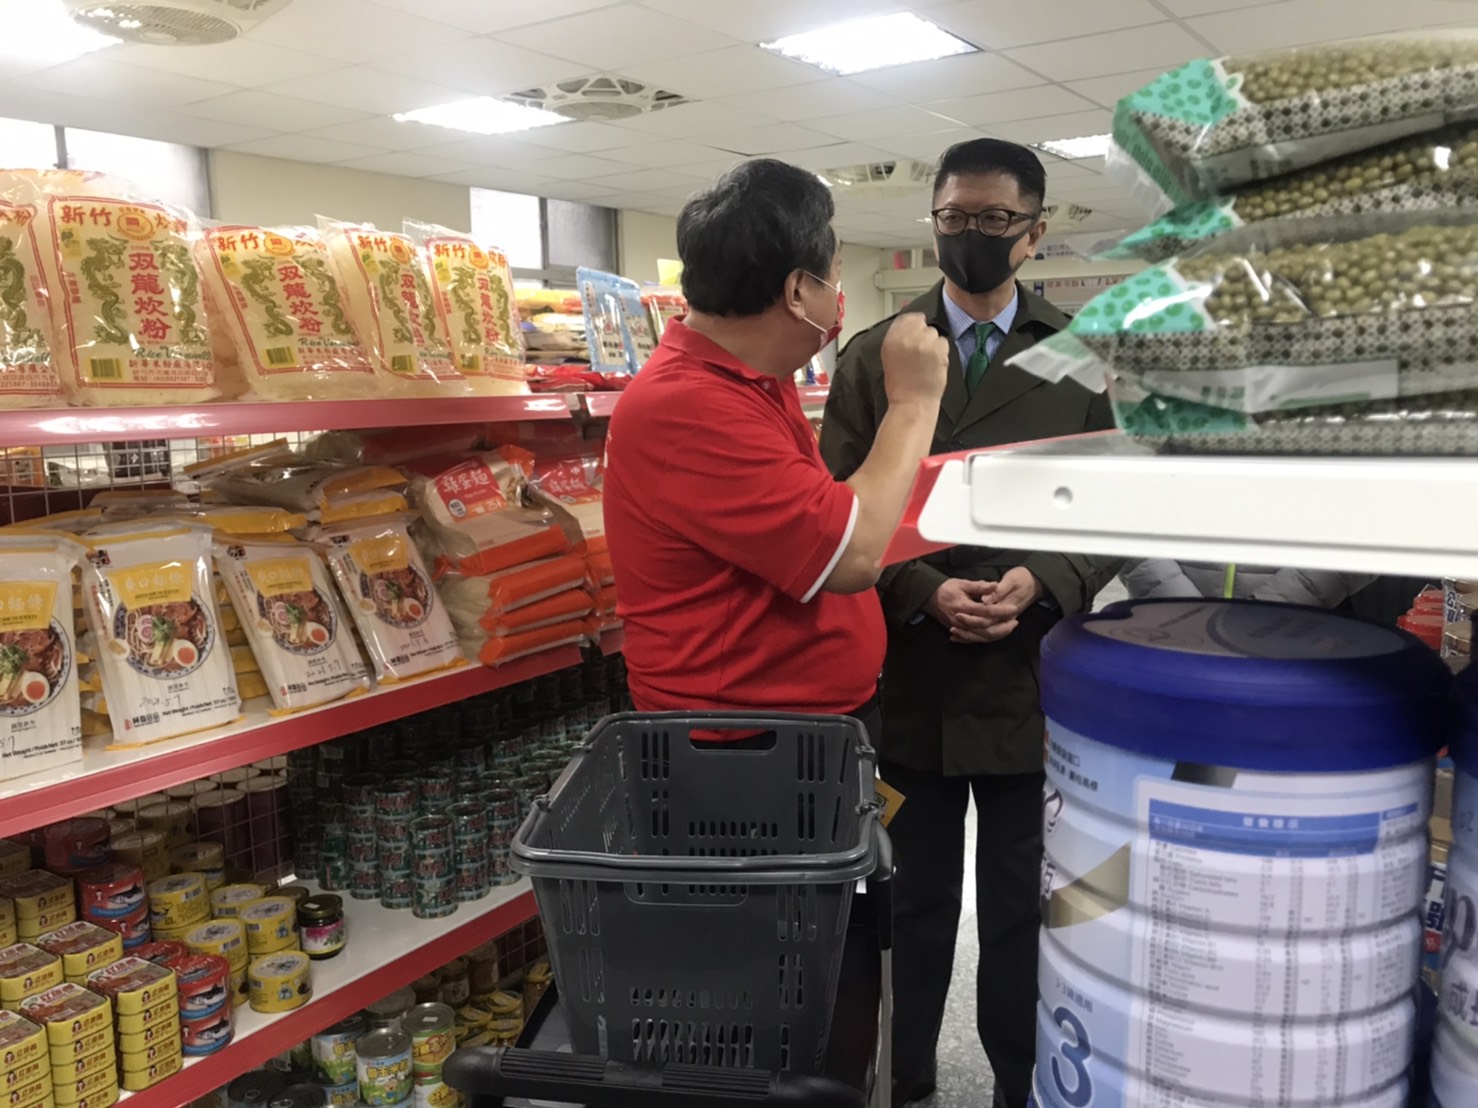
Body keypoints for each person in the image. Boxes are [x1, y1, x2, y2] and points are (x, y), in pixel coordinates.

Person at [819, 138, 1121, 1108]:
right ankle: (904, 1080)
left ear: (1033, 233)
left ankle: (1016, 1084)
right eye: (953, 218)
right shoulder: (877, 354)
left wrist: (1045, 578)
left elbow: (1110, 505)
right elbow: (833, 504)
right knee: (907, 905)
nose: (970, 236)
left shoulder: (1079, 358)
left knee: (1024, 911)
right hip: (909, 680)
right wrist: (918, 590)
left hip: (1031, 685)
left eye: (993, 220)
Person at [603, 157, 948, 741]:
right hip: (742, 746)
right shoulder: (689, 407)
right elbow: (853, 556)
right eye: (836, 276)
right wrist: (914, 401)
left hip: (794, 727)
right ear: (797, 291)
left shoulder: (753, 380)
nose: (839, 295)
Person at [1121, 560, 1374, 605]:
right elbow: (1122, 501)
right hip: (1166, 631)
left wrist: (1271, 611)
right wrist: (1178, 607)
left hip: (1299, 637)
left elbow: (1369, 515)